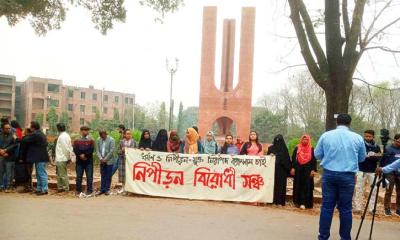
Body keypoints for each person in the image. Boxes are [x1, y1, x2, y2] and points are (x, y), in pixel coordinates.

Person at [314, 114, 366, 240]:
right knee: (346, 209)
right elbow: (362, 158)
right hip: (347, 176)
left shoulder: (326, 135)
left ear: (337, 122)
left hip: (329, 174)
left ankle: (323, 237)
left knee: (327, 207)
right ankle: (345, 238)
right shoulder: (357, 138)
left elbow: (317, 154)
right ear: (350, 123)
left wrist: (329, 157)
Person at [353, 130, 382, 214]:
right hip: (361, 170)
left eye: (369, 136)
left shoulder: (376, 146)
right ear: (364, 136)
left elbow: (380, 157)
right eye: (366, 136)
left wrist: (373, 156)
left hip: (372, 171)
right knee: (358, 189)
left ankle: (372, 209)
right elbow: (356, 155)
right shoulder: (360, 145)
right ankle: (357, 207)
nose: (368, 138)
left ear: (373, 137)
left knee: (373, 190)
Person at [22, 121, 50, 195]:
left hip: (40, 157)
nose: (28, 126)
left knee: (41, 173)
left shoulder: (35, 134)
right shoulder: (40, 133)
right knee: (39, 173)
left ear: (33, 127)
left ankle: (44, 189)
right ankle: (39, 188)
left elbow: (25, 140)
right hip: (41, 156)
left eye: (29, 125)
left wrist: (21, 136)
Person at [291, 135, 317, 209]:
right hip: (298, 170)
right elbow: (293, 158)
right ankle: (297, 202)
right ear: (301, 140)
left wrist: (313, 170)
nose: (304, 141)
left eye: (306, 139)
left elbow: (313, 160)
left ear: (308, 140)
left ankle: (306, 203)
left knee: (307, 186)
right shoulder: (297, 148)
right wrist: (293, 168)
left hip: (308, 170)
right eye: (303, 139)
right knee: (298, 185)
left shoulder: (311, 149)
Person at [267, 134, 291, 206]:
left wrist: (280, 159)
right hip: (272, 170)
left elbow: (287, 160)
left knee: (281, 185)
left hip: (282, 170)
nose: (277, 141)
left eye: (279, 140)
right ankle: (272, 201)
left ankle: (280, 201)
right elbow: (267, 159)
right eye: (276, 140)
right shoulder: (270, 148)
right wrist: (270, 156)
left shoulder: (284, 149)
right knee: (272, 185)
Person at [381, 133, 400, 216]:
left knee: (399, 191)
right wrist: (383, 172)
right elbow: (384, 161)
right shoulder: (388, 148)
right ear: (395, 140)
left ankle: (398, 209)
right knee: (389, 191)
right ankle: (387, 208)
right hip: (389, 172)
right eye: (398, 141)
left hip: (399, 172)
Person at [73, 126, 95, 197]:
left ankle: (89, 190)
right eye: (85, 130)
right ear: (81, 131)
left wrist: (84, 155)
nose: (86, 132)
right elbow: (75, 149)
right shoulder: (76, 140)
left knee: (89, 177)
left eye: (87, 130)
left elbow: (91, 150)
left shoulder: (91, 140)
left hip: (88, 161)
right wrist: (80, 155)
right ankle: (78, 190)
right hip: (79, 162)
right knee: (79, 176)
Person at [54, 123, 74, 193]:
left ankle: (65, 188)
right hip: (61, 157)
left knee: (62, 174)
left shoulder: (63, 136)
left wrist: (68, 158)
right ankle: (60, 187)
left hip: (62, 157)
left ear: (58, 128)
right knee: (59, 174)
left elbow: (66, 148)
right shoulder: (65, 135)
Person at [96, 129, 115, 196]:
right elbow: (97, 150)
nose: (102, 137)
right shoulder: (98, 139)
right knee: (103, 175)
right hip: (102, 161)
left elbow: (112, 151)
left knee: (108, 175)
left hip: (109, 161)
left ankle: (107, 189)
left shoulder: (111, 140)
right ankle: (102, 189)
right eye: (101, 136)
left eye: (103, 135)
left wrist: (105, 159)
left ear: (106, 134)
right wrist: (101, 158)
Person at [0, 122, 17, 192]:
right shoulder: (0, 135)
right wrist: (1, 151)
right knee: (1, 172)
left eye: (9, 128)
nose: (8, 129)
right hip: (1, 156)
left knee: (9, 173)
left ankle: (9, 187)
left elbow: (15, 145)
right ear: (2, 129)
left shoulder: (13, 136)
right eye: (6, 128)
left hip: (10, 157)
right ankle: (1, 186)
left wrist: (6, 150)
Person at [118, 129, 136, 194]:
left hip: (131, 161)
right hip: (123, 160)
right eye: (127, 134)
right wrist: (122, 150)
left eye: (130, 134)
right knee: (123, 174)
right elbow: (118, 151)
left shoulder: (134, 142)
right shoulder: (121, 142)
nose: (129, 135)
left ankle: (130, 189)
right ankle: (124, 188)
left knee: (130, 174)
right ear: (125, 135)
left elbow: (136, 151)